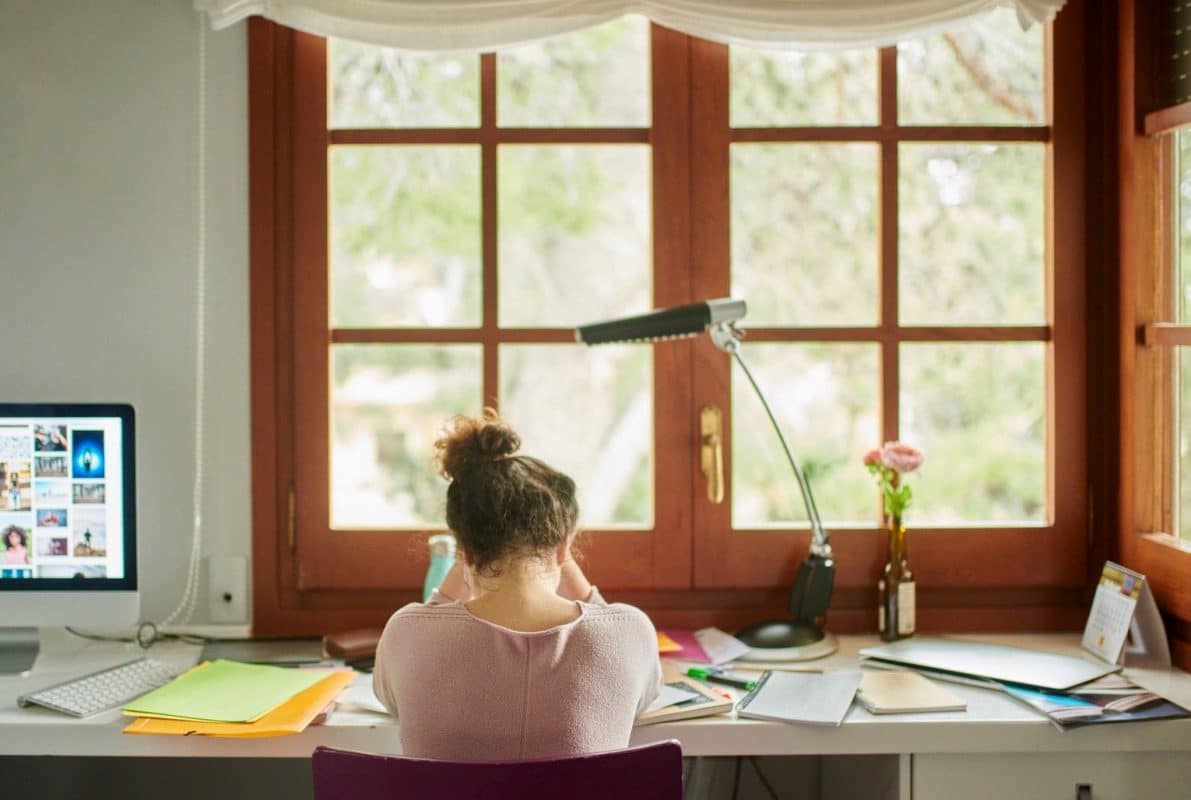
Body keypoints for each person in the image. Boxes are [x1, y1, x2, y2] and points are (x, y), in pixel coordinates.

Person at [373, 409, 662, 761]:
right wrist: (574, 574)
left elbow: (393, 698)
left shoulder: (406, 632)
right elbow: (636, 687)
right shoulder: (631, 632)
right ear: (563, 549)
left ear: (464, 552)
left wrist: (449, 588)